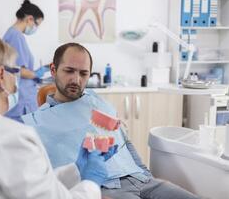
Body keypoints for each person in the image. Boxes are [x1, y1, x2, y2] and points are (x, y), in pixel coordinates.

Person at [0, 32, 117, 199]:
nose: (16, 82)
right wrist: (91, 182)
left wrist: (77, 169)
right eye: (15, 72)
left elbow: (28, 185)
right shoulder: (11, 138)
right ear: (1, 75)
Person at [22, 43, 202, 199]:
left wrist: (146, 174)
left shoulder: (97, 102)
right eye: (69, 71)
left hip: (141, 180)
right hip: (106, 188)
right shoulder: (37, 122)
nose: (76, 80)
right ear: (53, 70)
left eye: (84, 73)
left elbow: (125, 142)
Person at [3, 0, 49, 122]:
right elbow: (17, 70)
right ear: (29, 19)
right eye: (37, 24)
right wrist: (36, 74)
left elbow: (14, 67)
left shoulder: (12, 34)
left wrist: (35, 74)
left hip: (22, 97)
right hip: (22, 100)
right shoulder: (16, 36)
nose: (36, 28)